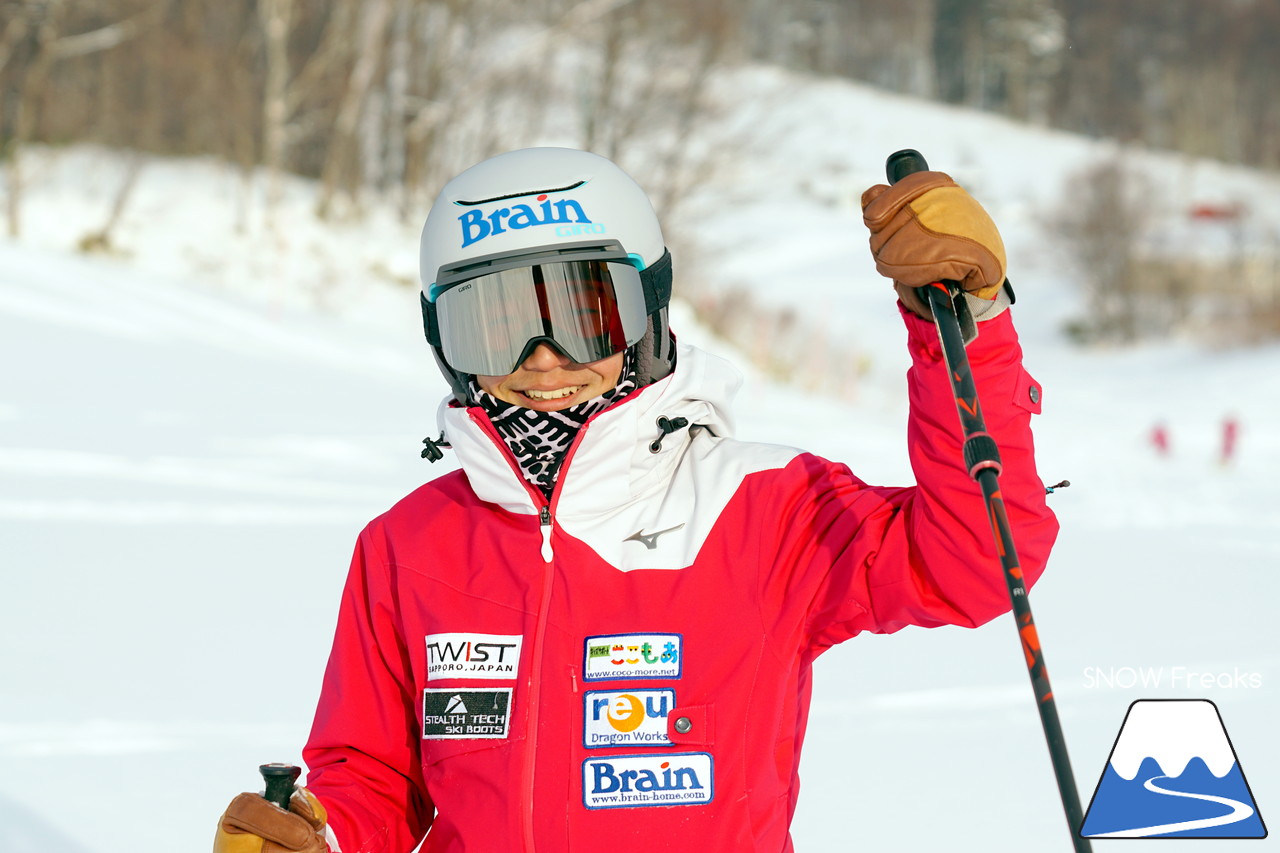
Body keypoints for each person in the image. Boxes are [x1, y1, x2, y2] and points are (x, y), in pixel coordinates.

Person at [213, 147, 1057, 852]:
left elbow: (980, 560)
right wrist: (317, 836)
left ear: (644, 311)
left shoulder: (765, 508)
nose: (542, 358)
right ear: (445, 340)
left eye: (582, 312)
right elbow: (373, 779)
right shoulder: (409, 543)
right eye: (495, 320)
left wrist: (966, 322)